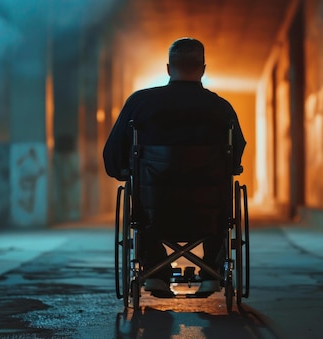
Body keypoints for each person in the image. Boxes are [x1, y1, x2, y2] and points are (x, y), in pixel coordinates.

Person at [103, 37, 246, 297]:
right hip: (208, 215)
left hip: (155, 212)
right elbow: (235, 158)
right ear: (203, 68)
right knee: (221, 194)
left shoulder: (141, 103)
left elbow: (112, 154)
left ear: (169, 68)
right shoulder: (221, 109)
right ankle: (212, 272)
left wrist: (121, 171)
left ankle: (155, 273)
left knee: (144, 205)